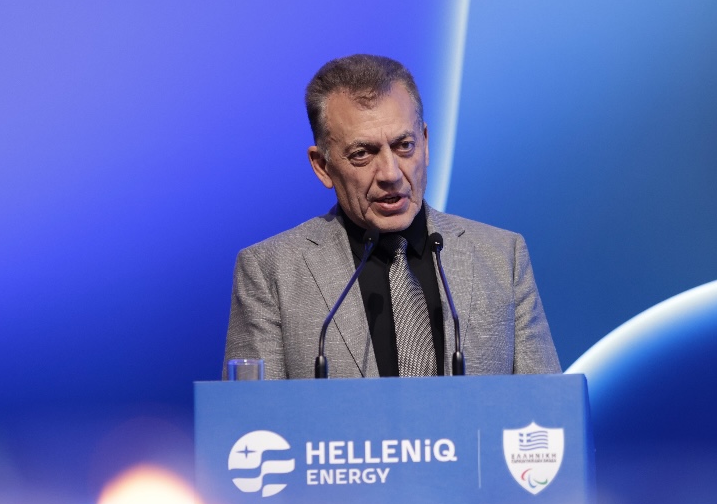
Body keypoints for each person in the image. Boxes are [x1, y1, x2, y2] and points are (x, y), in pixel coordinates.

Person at [224, 54, 561, 379]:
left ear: (425, 144)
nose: (391, 173)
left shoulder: (502, 257)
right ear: (323, 166)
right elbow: (251, 416)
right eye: (362, 153)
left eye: (404, 146)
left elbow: (549, 408)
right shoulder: (270, 272)